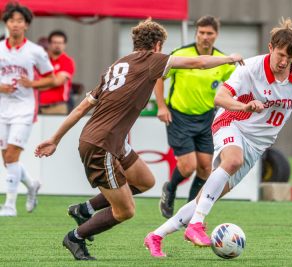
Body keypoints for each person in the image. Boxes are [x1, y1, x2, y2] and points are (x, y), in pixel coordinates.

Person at [34, 19, 244, 261]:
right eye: (162, 47)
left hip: (113, 140)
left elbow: (82, 107)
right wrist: (229, 58)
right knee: (125, 211)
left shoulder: (117, 65)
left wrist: (55, 138)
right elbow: (197, 62)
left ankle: (85, 209)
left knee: (145, 181)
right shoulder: (151, 60)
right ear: (157, 46)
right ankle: (76, 237)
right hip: (102, 145)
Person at [144, 17, 292, 258]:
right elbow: (219, 98)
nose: (283, 62)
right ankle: (196, 225)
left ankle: (156, 236)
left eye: (289, 57)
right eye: (280, 55)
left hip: (257, 145)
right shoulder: (250, 68)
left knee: (206, 198)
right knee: (232, 159)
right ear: (270, 49)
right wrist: (243, 107)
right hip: (232, 122)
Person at [157, 15, 235, 219]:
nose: (205, 37)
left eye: (209, 33)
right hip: (178, 116)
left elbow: (234, 87)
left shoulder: (223, 62)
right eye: (201, 32)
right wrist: (161, 106)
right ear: (196, 33)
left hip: (207, 118)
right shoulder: (181, 54)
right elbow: (159, 76)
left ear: (216, 35)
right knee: (188, 166)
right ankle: (170, 189)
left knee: (205, 168)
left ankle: (189, 211)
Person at [0, 3, 55, 216]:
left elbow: (50, 78)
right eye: (12, 20)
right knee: (7, 159)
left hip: (24, 109)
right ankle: (32, 185)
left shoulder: (35, 51)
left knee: (12, 155)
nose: (15, 24)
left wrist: (32, 84)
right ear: (6, 23)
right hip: (2, 108)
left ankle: (10, 205)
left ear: (26, 25)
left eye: (20, 21)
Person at [39, 30, 75, 114]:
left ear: (64, 45)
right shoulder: (43, 60)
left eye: (60, 43)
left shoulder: (67, 61)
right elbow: (35, 80)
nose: (57, 45)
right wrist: (51, 81)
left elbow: (58, 82)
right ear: (49, 44)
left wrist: (37, 85)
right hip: (38, 106)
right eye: (54, 42)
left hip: (57, 107)